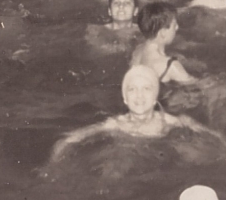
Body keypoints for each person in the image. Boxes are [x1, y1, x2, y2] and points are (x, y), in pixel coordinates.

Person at [50, 65, 214, 161]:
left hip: (163, 154)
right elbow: (77, 136)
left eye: (146, 89)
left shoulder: (169, 121)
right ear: (125, 99)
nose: (139, 95)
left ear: (155, 97)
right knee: (113, 169)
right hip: (125, 152)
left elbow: (205, 132)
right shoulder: (116, 123)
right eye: (132, 89)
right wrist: (61, 147)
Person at [131, 2, 196, 85]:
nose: (177, 27)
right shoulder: (170, 66)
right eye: (174, 25)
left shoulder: (138, 50)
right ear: (163, 32)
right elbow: (196, 86)